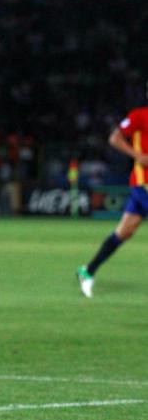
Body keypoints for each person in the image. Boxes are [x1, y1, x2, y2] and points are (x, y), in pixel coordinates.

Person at [77, 86, 148, 298]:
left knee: (124, 232)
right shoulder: (139, 116)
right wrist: (137, 155)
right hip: (143, 183)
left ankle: (88, 271)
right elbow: (115, 138)